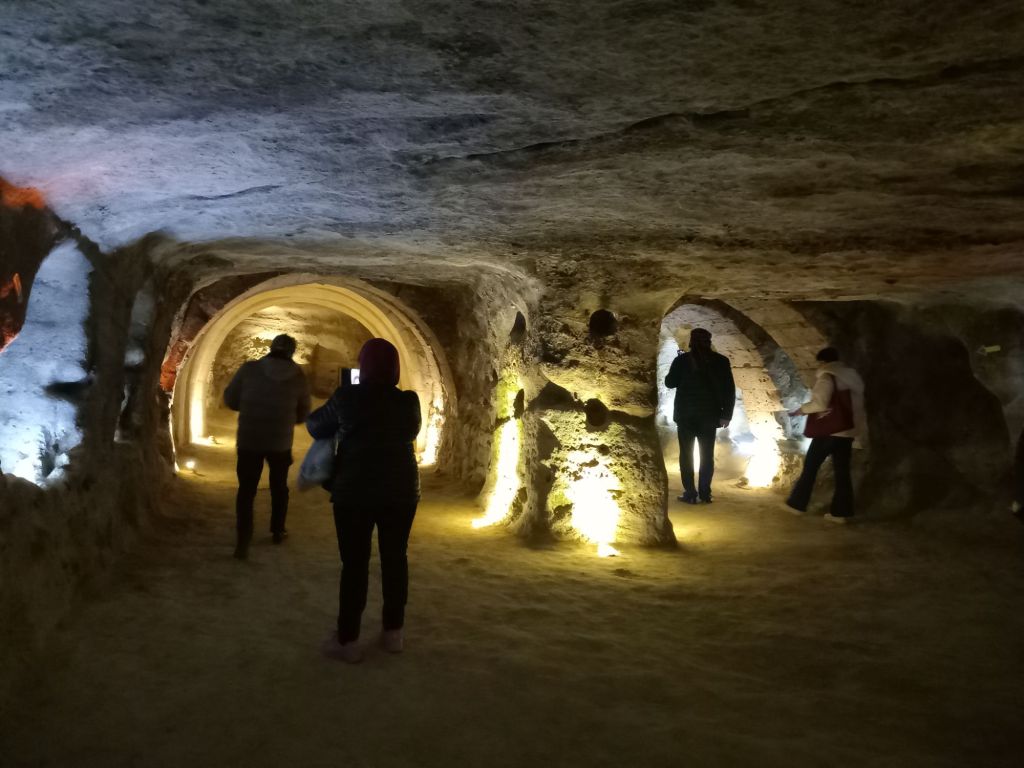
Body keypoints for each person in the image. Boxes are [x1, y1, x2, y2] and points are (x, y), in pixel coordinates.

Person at [307, 338, 421, 663]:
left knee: (354, 564)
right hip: (401, 491)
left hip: (354, 490)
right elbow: (412, 431)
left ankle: (348, 640)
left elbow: (315, 425)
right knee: (395, 559)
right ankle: (393, 632)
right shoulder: (408, 401)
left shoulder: (348, 397)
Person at [223, 333, 311, 559]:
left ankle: (243, 540)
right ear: (292, 352)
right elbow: (303, 412)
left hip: (249, 438)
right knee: (279, 486)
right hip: (280, 441)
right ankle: (277, 530)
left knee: (246, 490)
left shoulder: (249, 369)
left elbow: (231, 399)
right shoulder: (298, 375)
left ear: (271, 348)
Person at [786, 347, 867, 523]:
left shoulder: (827, 376)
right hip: (847, 432)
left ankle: (797, 504)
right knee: (842, 473)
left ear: (823, 362)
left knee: (810, 467)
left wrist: (801, 410)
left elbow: (820, 403)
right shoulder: (852, 377)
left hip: (829, 431)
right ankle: (841, 513)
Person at [664, 328, 735, 504]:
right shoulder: (721, 361)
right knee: (706, 455)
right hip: (709, 415)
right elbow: (729, 390)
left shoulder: (682, 360)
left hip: (685, 415)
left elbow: (670, 383)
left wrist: (678, 364)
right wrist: (726, 415)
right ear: (709, 342)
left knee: (686, 455)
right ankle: (705, 493)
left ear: (691, 342)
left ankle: (690, 493)